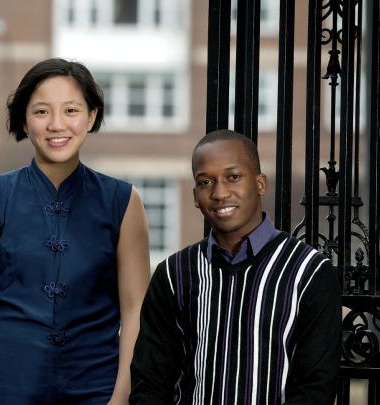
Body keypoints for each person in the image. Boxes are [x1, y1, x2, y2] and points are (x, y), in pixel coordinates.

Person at [0, 58, 150, 404]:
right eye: (41, 112)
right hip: (4, 386)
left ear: (91, 116)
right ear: (24, 118)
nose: (56, 125)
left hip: (95, 387)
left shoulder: (124, 202)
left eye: (71, 110)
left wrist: (120, 398)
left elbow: (135, 313)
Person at [130, 129, 341, 404]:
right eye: (206, 182)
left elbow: (317, 388)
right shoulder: (173, 274)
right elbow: (150, 383)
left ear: (261, 184)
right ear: (195, 196)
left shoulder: (309, 272)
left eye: (233, 177)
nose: (219, 193)